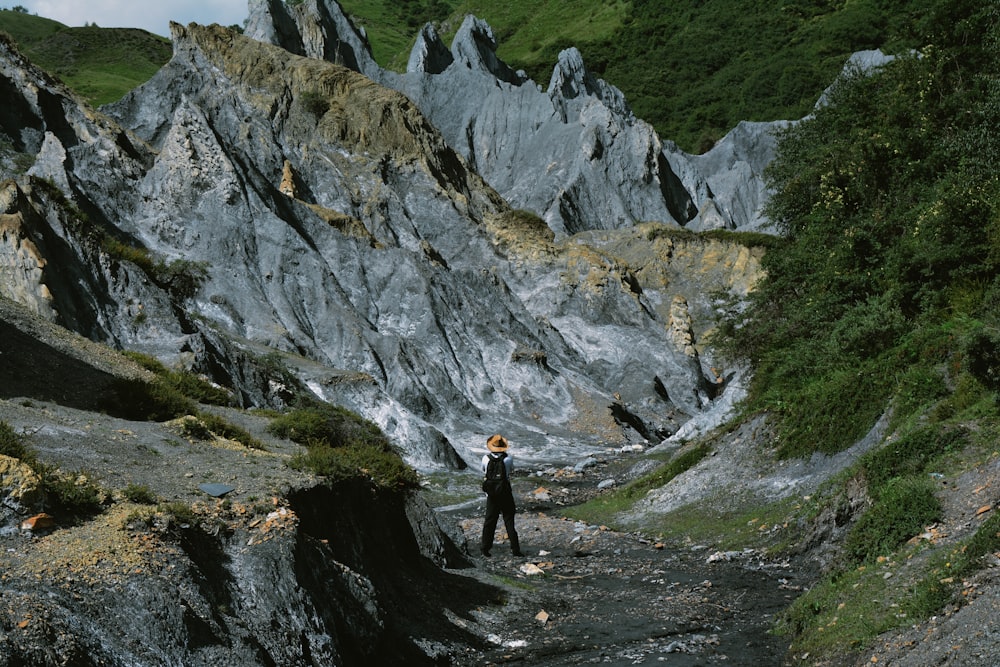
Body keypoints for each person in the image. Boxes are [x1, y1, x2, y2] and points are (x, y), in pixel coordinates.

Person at [480, 433, 523, 558]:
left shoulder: (485, 458)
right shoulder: (508, 459)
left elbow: (483, 471)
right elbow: (511, 471)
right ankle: (515, 549)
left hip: (491, 494)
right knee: (509, 521)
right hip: (505, 493)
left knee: (489, 521)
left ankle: (485, 548)